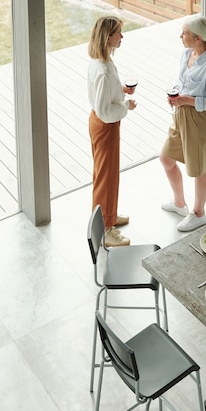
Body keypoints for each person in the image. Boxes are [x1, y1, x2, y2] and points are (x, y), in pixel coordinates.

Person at [160, 15, 206, 232]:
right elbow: (183, 81)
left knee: (198, 170)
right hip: (180, 116)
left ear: (197, 37)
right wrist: (176, 95)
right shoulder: (187, 53)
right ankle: (180, 203)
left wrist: (186, 100)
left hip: (198, 122)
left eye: (184, 33)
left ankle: (199, 213)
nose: (181, 36)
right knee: (166, 158)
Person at [87, 16, 137, 247]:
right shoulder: (104, 70)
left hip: (101, 124)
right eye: (119, 33)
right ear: (108, 38)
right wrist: (126, 105)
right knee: (105, 177)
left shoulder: (102, 63)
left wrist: (120, 89)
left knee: (108, 174)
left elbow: (105, 94)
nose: (122, 37)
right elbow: (106, 111)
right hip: (106, 126)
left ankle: (109, 214)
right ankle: (105, 230)